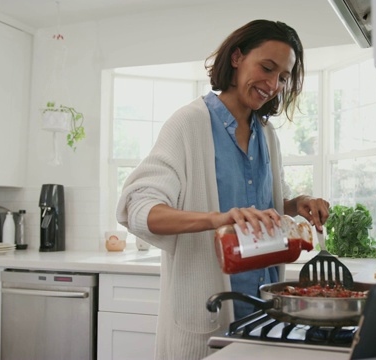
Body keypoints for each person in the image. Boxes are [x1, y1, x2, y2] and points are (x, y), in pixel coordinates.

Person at [116, 19, 330, 359]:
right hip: (206, 318)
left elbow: (266, 201)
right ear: (236, 58)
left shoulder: (267, 135)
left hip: (263, 312)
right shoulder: (189, 123)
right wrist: (217, 219)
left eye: (283, 78)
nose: (273, 84)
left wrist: (298, 203)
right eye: (267, 68)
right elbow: (139, 210)